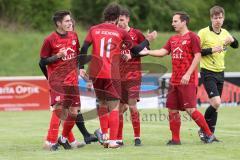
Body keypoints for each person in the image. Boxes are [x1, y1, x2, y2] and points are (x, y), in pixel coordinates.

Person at [79, 3, 156, 148]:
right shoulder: (120, 32)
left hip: (95, 72)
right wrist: (148, 40)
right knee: (114, 107)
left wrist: (81, 67)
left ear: (105, 15)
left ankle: (105, 136)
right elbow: (136, 49)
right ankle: (113, 140)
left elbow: (84, 47)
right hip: (111, 73)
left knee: (101, 104)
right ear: (116, 18)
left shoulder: (94, 29)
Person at [136, 11, 216, 144]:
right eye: (173, 21)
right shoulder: (173, 39)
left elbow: (198, 56)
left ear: (184, 22)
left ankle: (208, 134)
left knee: (191, 109)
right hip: (175, 80)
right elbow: (163, 52)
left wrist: (189, 73)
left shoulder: (193, 37)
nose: (172, 24)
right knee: (172, 110)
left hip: (188, 80)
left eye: (175, 21)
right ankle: (175, 139)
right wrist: (148, 51)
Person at [39, 10, 84, 150]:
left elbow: (77, 55)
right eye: (66, 21)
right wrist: (57, 56)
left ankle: (68, 140)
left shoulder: (74, 36)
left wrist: (80, 68)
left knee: (73, 112)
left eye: (70, 20)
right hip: (58, 80)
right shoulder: (49, 40)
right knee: (59, 109)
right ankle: (49, 142)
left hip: (72, 80)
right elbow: (42, 62)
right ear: (58, 23)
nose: (70, 23)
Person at [197, 5, 239, 141]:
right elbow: (196, 52)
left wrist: (233, 39)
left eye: (220, 18)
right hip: (207, 72)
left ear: (223, 18)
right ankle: (203, 129)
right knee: (216, 102)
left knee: (216, 106)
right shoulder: (203, 33)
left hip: (221, 72)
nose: (218, 20)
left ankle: (210, 135)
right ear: (211, 18)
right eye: (215, 18)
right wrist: (211, 50)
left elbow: (236, 45)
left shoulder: (225, 33)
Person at [116, 8, 148, 146]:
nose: (120, 23)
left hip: (133, 75)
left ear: (128, 19)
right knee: (119, 108)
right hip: (118, 76)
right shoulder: (114, 34)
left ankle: (137, 137)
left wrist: (132, 55)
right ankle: (118, 138)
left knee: (132, 105)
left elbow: (146, 51)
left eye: (122, 20)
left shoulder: (136, 34)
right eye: (118, 20)